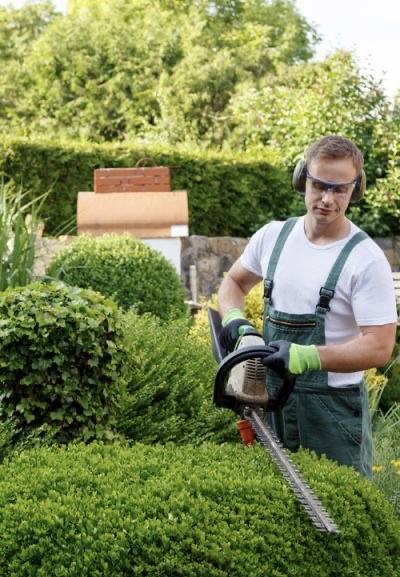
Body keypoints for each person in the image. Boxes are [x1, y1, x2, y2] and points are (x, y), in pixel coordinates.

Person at [218, 135, 397, 478]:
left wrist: (306, 356)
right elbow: (234, 283)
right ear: (303, 180)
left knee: (343, 514)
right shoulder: (273, 237)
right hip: (268, 402)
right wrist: (236, 322)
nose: (328, 199)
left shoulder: (365, 259)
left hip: (331, 414)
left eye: (340, 189)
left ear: (355, 190)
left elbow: (379, 346)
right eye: (319, 185)